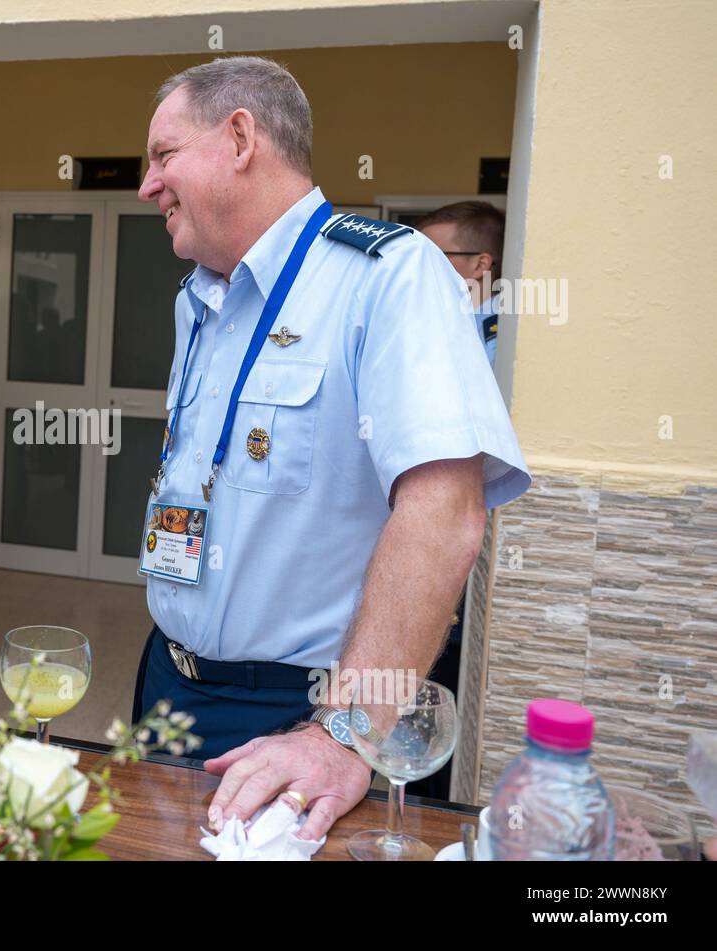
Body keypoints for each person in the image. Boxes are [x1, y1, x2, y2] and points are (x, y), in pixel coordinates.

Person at [131, 57, 530, 841]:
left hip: (295, 717)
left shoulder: (388, 276)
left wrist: (344, 731)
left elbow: (444, 513)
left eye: (162, 155)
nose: (147, 185)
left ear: (240, 136)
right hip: (165, 680)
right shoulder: (199, 298)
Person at [410, 200, 507, 800]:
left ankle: (420, 808)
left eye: (435, 257)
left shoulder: (496, 342)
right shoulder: (447, 328)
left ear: (479, 265)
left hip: (463, 543)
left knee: (434, 686)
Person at [417, 200, 506, 367]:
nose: (420, 265)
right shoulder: (445, 320)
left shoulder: (499, 340)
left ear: (480, 265)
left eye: (435, 256)